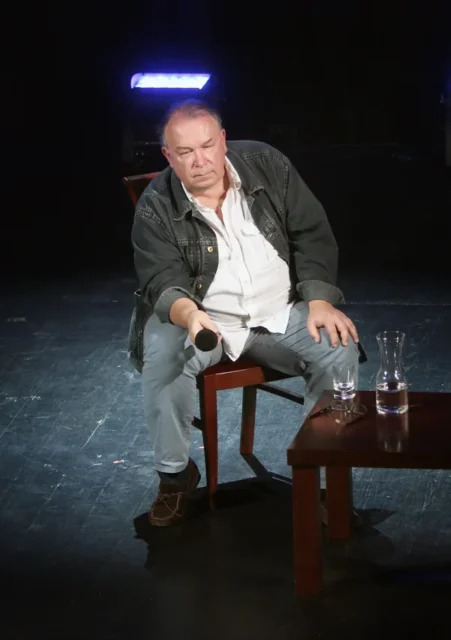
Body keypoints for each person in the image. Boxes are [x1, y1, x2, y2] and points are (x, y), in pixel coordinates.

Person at [129, 99, 361, 527]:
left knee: (337, 346)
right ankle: (175, 477)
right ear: (168, 156)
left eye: (206, 146)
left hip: (277, 313)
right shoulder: (155, 205)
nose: (200, 161)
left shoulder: (267, 164)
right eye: (185, 152)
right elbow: (161, 278)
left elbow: (311, 232)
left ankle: (323, 478)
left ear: (223, 140)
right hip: (205, 320)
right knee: (163, 355)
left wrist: (319, 299)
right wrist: (189, 315)